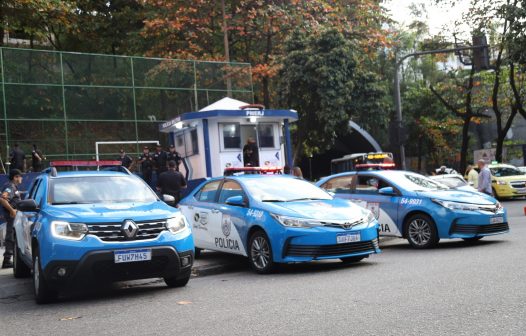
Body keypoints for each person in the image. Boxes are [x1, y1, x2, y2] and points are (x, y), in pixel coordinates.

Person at [0, 169, 23, 268]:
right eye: (20, 176)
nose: (21, 178)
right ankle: (7, 260)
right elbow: (2, 199)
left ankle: (9, 259)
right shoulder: (10, 186)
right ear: (15, 177)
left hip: (15, 217)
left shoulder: (13, 186)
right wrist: (12, 210)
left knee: (13, 236)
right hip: (12, 216)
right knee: (11, 237)